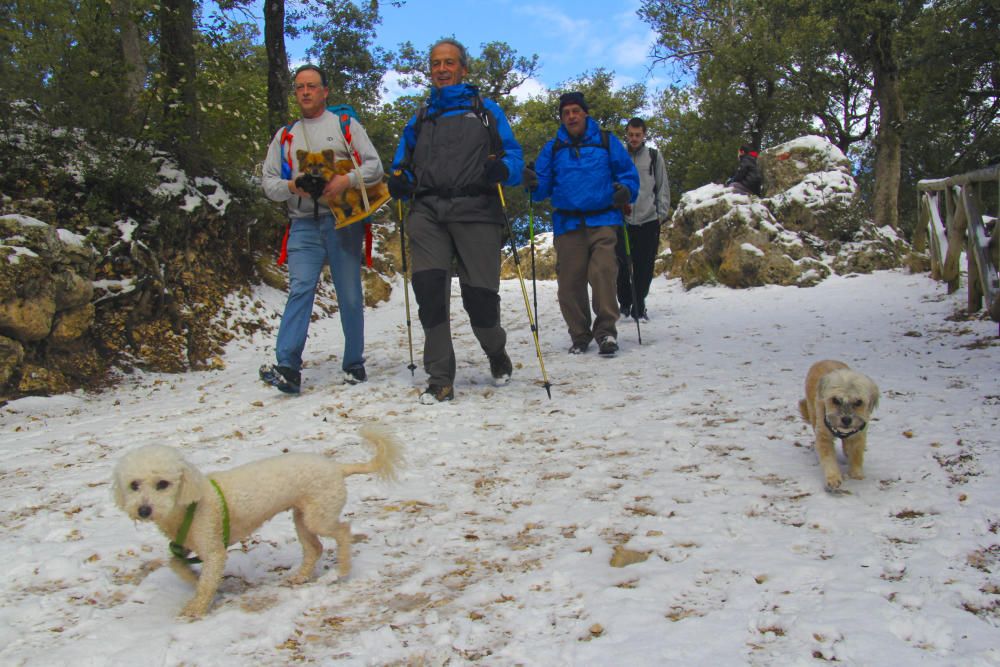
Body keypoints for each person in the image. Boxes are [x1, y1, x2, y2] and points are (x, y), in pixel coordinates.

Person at [388, 38, 524, 404]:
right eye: (436, 63)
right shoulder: (419, 118)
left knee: (479, 301)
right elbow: (401, 164)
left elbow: (513, 157)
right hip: (428, 212)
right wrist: (399, 179)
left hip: (477, 210)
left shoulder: (486, 110)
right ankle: (440, 378)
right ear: (430, 70)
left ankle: (496, 350)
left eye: (449, 63)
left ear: (463, 68)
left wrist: (504, 168)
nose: (442, 69)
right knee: (430, 294)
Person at [258, 64, 384, 394]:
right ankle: (287, 365)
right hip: (302, 223)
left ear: (325, 91)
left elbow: (375, 165)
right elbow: (269, 184)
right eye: (299, 87)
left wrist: (346, 179)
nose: (305, 92)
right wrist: (293, 185)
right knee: (300, 289)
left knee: (350, 295)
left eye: (311, 86)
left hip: (342, 222)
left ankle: (354, 363)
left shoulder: (344, 125)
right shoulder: (285, 136)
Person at [523, 92, 639, 357]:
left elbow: (627, 175)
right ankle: (579, 335)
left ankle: (606, 331)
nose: (571, 116)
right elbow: (541, 188)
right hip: (568, 223)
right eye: (566, 113)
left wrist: (626, 191)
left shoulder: (607, 142)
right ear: (562, 118)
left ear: (585, 113)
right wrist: (531, 182)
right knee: (570, 283)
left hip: (603, 219)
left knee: (604, 273)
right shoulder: (553, 148)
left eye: (576, 111)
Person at [617, 117, 670, 322]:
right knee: (621, 263)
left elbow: (662, 186)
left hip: (648, 218)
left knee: (644, 265)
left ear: (644, 135)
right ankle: (624, 303)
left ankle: (640, 303)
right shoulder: (619, 156)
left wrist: (660, 214)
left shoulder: (654, 156)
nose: (634, 138)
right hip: (623, 219)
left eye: (638, 135)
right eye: (631, 135)